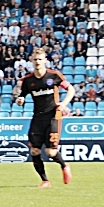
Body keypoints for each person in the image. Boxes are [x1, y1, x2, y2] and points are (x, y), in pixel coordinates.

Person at [15, 48, 75, 188]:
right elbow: (21, 96)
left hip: (53, 117)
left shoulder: (53, 76)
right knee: (34, 151)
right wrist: (19, 100)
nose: (37, 62)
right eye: (35, 59)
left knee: (50, 152)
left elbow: (71, 89)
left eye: (40, 59)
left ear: (45, 61)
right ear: (31, 61)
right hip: (37, 118)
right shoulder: (28, 81)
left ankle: (64, 166)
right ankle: (45, 180)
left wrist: (64, 104)